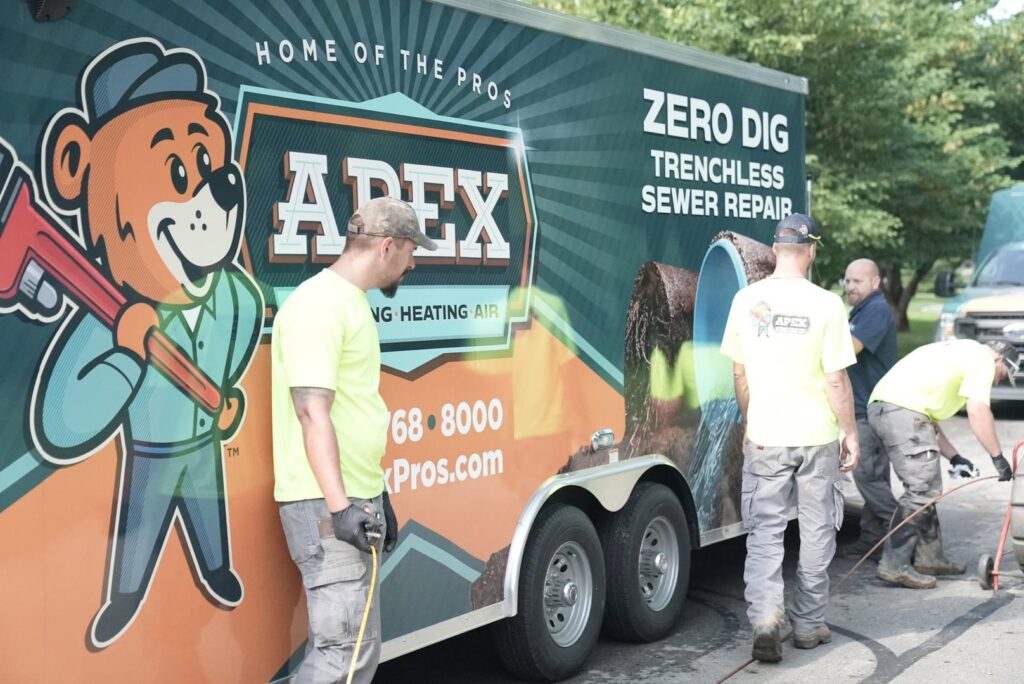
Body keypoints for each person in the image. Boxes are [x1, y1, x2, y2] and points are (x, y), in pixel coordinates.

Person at [271, 196, 437, 683]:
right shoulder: (318, 306)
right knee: (341, 657)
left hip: (349, 499)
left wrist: (375, 494)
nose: (412, 263)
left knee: (355, 651)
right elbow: (310, 410)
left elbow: (351, 411)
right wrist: (342, 507)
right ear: (388, 246)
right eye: (411, 251)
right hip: (326, 508)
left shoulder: (350, 304)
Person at [721, 213, 859, 664]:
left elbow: (739, 373)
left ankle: (765, 619)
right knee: (818, 531)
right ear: (812, 250)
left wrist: (750, 420)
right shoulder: (828, 304)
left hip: (766, 435)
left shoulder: (746, 300)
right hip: (817, 437)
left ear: (775, 248)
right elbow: (836, 379)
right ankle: (808, 625)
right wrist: (850, 432)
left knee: (765, 533)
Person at [868, 338, 1018, 589]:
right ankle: (893, 565)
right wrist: (997, 457)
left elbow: (927, 421)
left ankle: (930, 558)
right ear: (1000, 360)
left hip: (890, 409)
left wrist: (955, 456)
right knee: (921, 491)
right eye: (1004, 375)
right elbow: (978, 410)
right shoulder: (983, 358)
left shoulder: (958, 351)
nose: (998, 380)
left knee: (927, 488)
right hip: (902, 413)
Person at [837, 259, 898, 560]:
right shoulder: (862, 310)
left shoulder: (876, 310)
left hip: (868, 408)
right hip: (867, 405)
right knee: (876, 476)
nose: (849, 287)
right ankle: (874, 540)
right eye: (847, 281)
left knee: (866, 477)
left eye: (856, 281)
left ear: (875, 282)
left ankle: (905, 534)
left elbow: (850, 348)